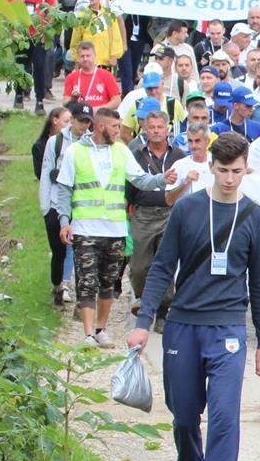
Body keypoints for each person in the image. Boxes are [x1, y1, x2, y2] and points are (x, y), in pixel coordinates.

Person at [126, 131, 260, 461]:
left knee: (225, 416)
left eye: (237, 171)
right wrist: (144, 321)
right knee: (185, 414)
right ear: (210, 167)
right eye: (223, 170)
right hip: (183, 323)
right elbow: (161, 268)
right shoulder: (188, 209)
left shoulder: (256, 217)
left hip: (227, 326)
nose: (230, 179)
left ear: (247, 169)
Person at [55, 106, 180, 345]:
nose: (119, 130)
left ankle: (101, 328)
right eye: (114, 126)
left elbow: (139, 179)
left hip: (115, 229)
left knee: (108, 281)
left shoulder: (122, 151)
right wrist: (64, 221)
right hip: (85, 227)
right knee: (87, 280)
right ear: (101, 126)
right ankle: (89, 332)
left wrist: (162, 179)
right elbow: (63, 189)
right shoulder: (75, 152)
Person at [126, 108, 189, 332]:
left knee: (166, 264)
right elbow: (130, 186)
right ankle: (144, 298)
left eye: (160, 127)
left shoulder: (179, 155)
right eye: (151, 127)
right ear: (144, 128)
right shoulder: (135, 154)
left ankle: (163, 310)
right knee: (140, 265)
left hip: (170, 214)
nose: (155, 131)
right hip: (143, 213)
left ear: (167, 129)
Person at [34, 104, 74, 305]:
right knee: (58, 250)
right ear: (55, 121)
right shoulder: (49, 144)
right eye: (67, 121)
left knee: (74, 248)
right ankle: (58, 285)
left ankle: (69, 284)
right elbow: (43, 175)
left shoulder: (84, 144)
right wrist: (46, 208)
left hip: (76, 206)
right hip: (54, 203)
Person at [10, 0, 57, 110]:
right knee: (21, 66)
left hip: (38, 35)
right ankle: (19, 95)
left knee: (39, 67)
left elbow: (52, 9)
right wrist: (13, 29)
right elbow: (8, 9)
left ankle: (39, 100)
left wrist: (46, 29)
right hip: (22, 34)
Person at [63, 40, 121, 109]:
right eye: (82, 56)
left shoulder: (107, 75)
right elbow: (65, 102)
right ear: (78, 58)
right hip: (79, 117)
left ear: (95, 56)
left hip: (100, 116)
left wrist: (95, 110)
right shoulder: (71, 77)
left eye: (88, 56)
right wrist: (73, 99)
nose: (85, 59)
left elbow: (116, 101)